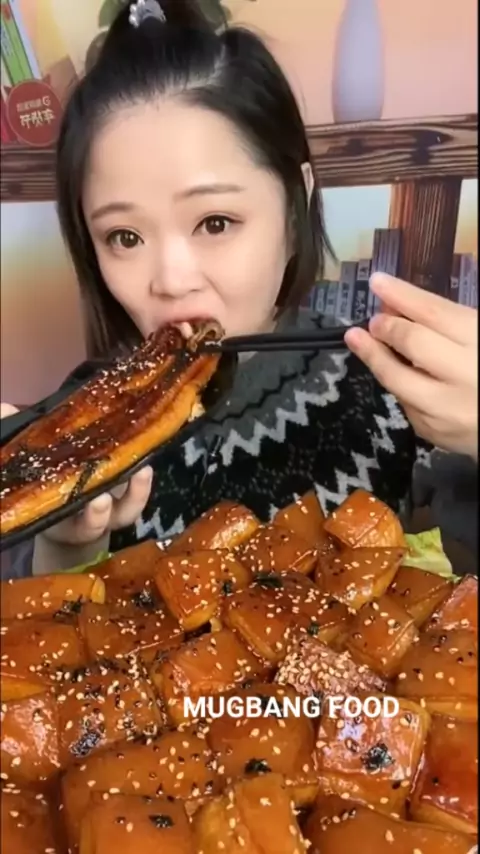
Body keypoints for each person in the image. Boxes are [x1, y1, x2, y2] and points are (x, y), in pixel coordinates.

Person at [0, 0, 477, 578]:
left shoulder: (399, 399)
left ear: (295, 207)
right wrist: (65, 546)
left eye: (215, 223)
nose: (172, 281)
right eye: (124, 237)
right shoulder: (80, 420)